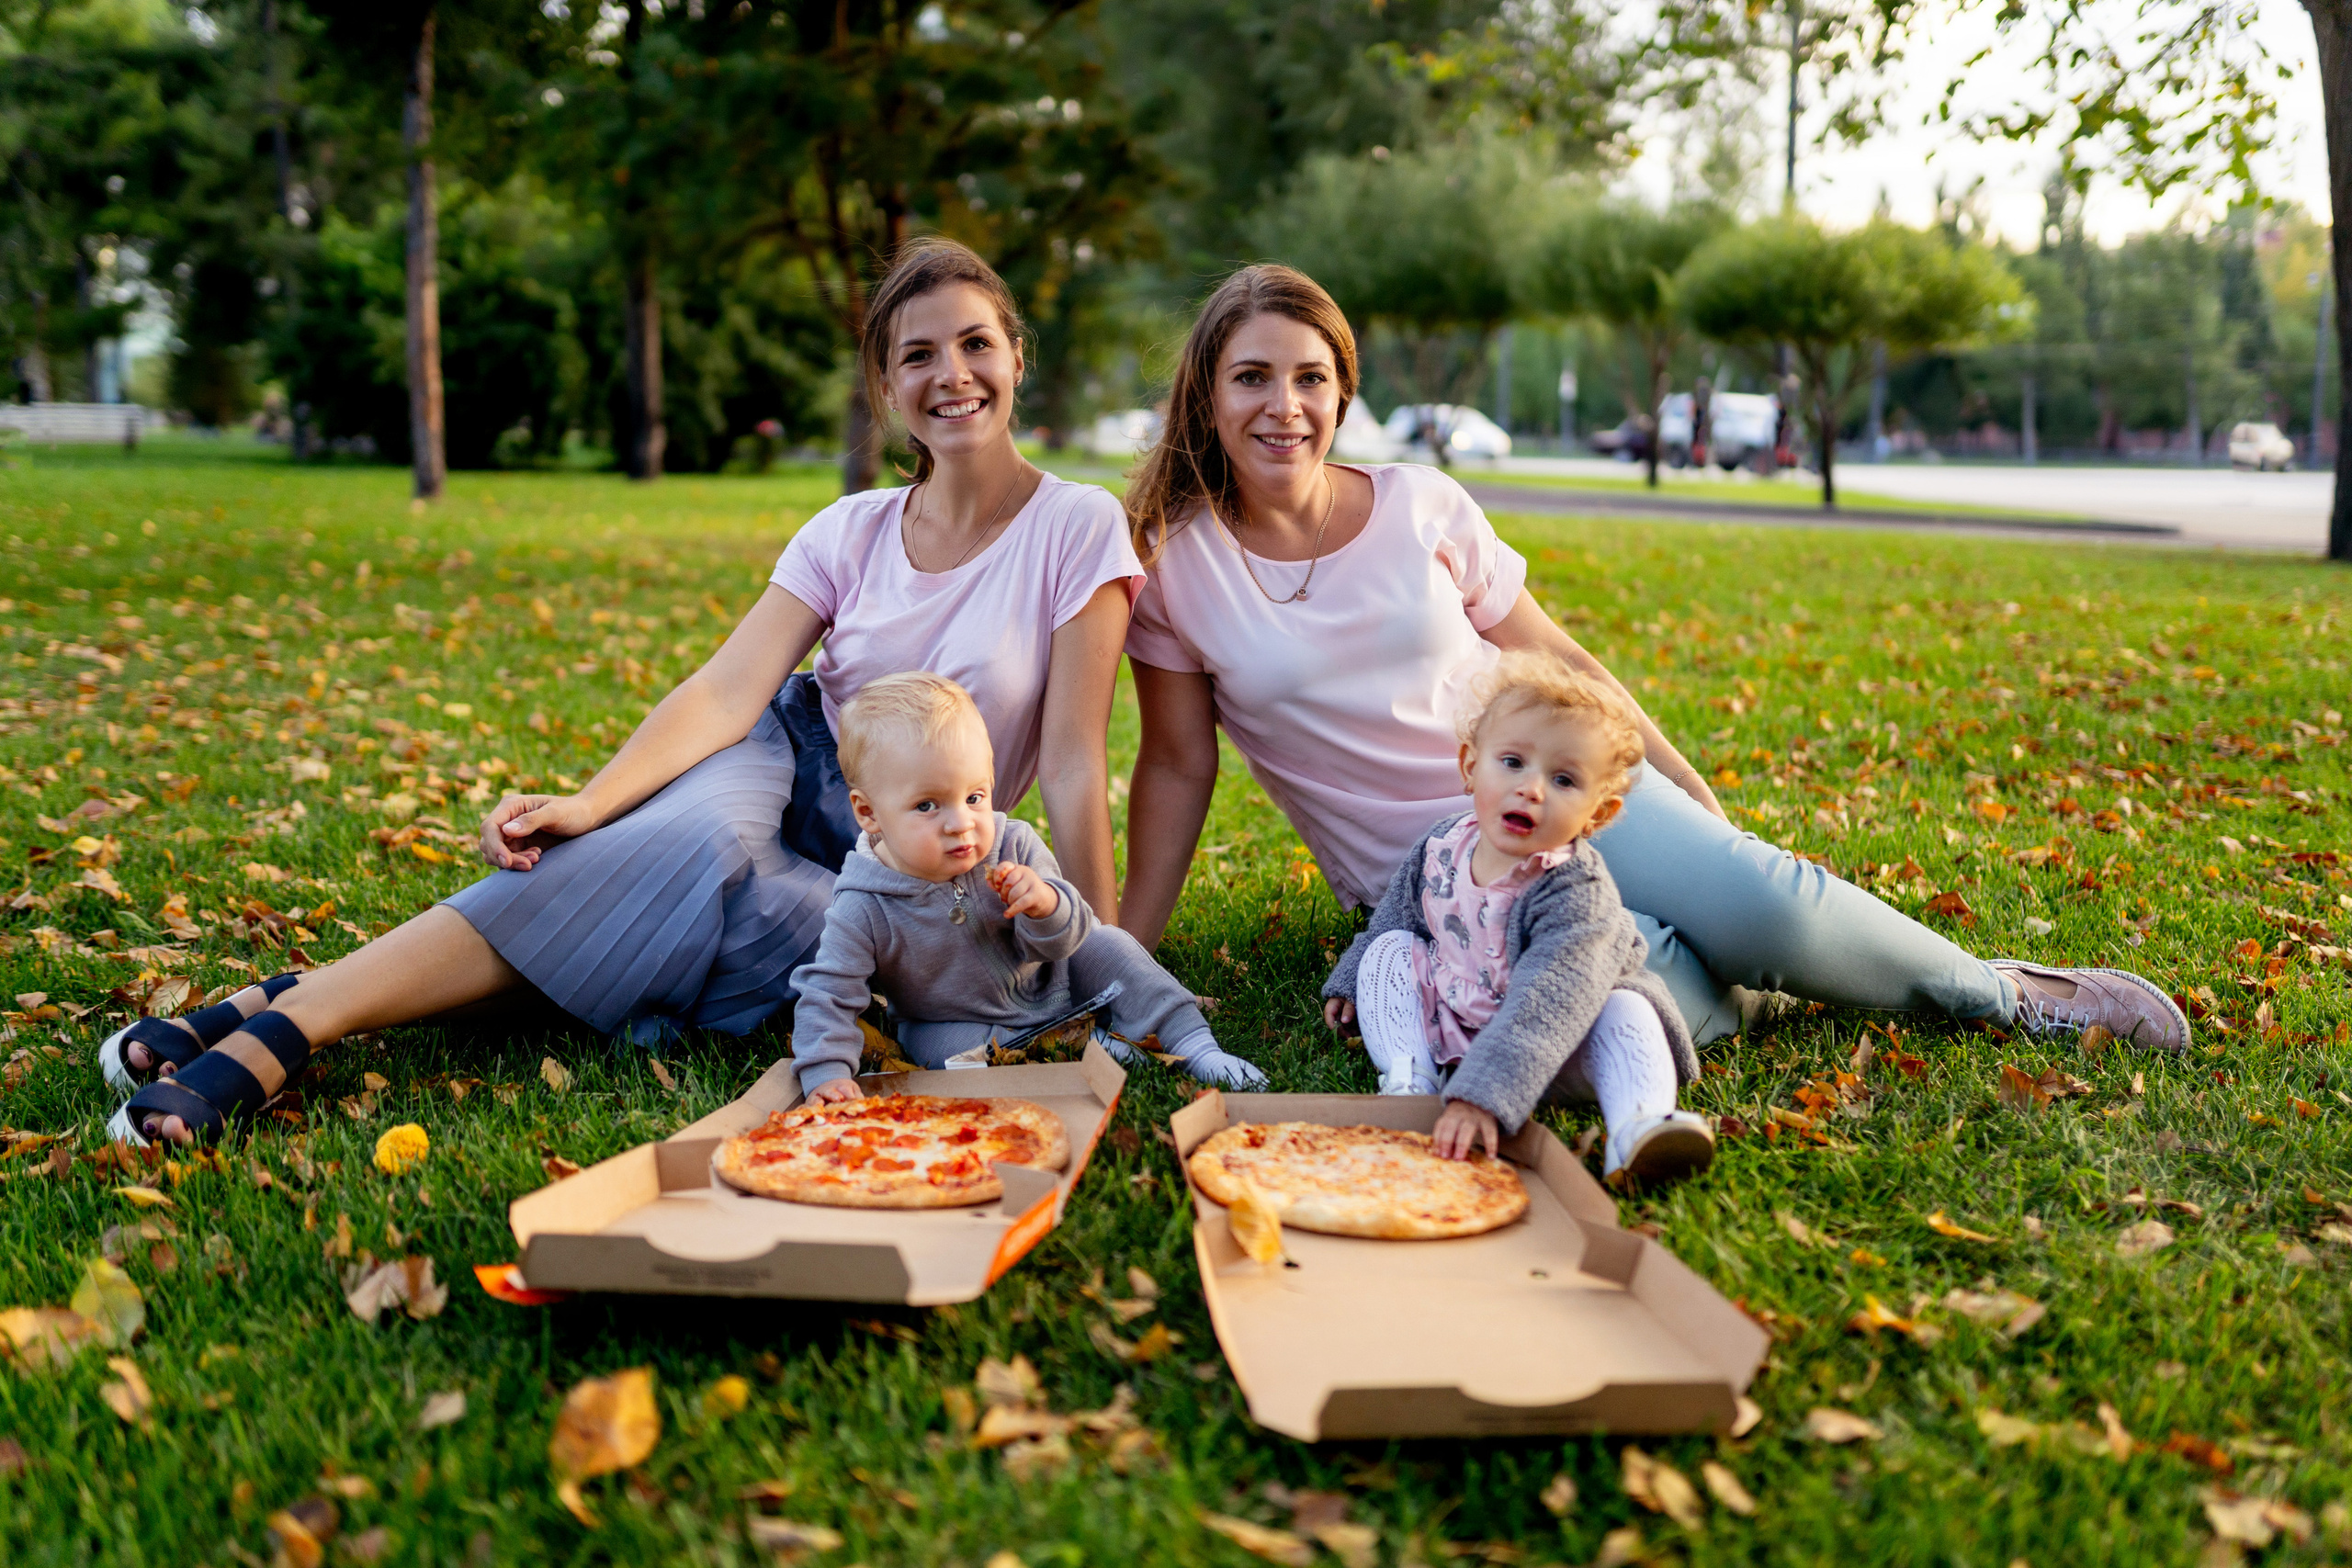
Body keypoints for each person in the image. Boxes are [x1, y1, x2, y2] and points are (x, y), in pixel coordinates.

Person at [111, 238, 1145, 1145]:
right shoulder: (852, 527)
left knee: (713, 941)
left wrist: (1098, 960)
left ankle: (275, 999)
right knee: (673, 848)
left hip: (903, 845)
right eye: (917, 354)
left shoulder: (1078, 525)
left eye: (974, 344)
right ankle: (293, 1034)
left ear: (1016, 357)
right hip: (788, 751)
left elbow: (1069, 756)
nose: (951, 373)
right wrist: (592, 803)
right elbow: (728, 689)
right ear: (885, 388)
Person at [1116, 263, 2188, 1066]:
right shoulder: (1172, 565)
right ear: (1206, 394)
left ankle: (2002, 993)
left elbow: (1554, 657)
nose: (1282, 406)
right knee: (1614, 1006)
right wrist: (1136, 957)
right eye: (1250, 377)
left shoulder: (1419, 504)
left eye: (1309, 377)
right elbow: (1175, 767)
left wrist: (1668, 773)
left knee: (1776, 911)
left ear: (1342, 392)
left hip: (1566, 797)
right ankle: (1757, 986)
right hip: (1437, 884)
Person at [1322, 652, 1713, 1184]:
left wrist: (1484, 1097)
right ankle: (1410, 1081)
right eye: (1512, 763)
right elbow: (1399, 912)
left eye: (1564, 780)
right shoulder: (1443, 845)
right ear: (1469, 766)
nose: (1532, 788)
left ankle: (1639, 1127)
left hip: (1565, 1046)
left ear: (1598, 814)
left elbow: (1548, 1003)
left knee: (1626, 1011)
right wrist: (1351, 979)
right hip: (1456, 1021)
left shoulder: (1574, 890)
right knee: (1386, 947)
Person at [788, 672, 1265, 1097]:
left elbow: (1068, 940)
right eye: (928, 806)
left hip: (1056, 981)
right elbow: (829, 991)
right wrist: (827, 1073)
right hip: (958, 1019)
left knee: (1110, 946)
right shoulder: (864, 903)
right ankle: (1088, 1048)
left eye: (974, 796)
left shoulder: (1012, 845)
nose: (961, 824)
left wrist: (1046, 905)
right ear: (868, 813)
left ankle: (1196, 1047)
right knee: (942, 1050)